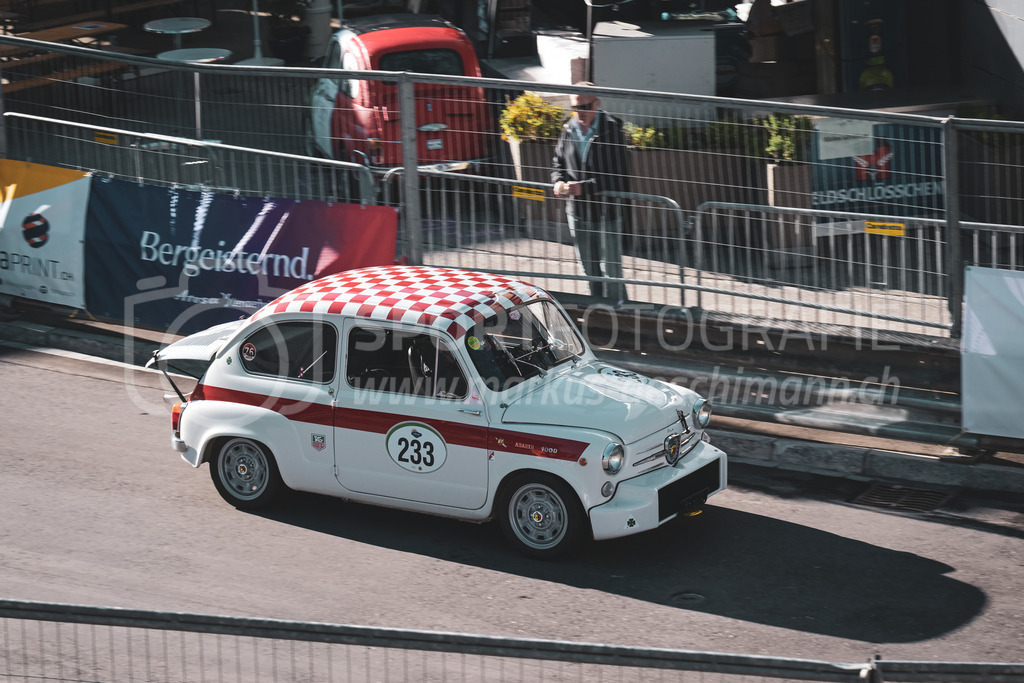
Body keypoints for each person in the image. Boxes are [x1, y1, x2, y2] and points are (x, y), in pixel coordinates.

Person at [551, 83, 629, 303]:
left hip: (607, 212)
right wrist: (558, 183)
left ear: (597, 103)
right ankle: (598, 310)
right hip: (578, 211)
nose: (580, 112)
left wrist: (585, 187)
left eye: (585, 106)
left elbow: (619, 174)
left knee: (611, 270)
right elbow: (557, 163)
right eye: (575, 107)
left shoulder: (612, 130)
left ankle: (620, 312)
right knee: (589, 269)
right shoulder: (568, 129)